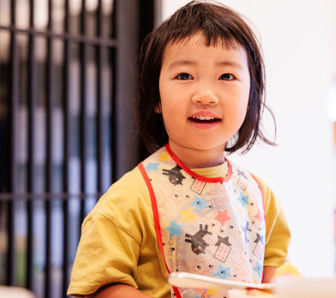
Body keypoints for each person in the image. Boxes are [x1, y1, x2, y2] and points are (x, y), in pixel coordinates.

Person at [67, 1, 290, 297]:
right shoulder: (128, 200)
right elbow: (97, 286)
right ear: (155, 98)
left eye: (227, 76)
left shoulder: (261, 197)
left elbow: (276, 268)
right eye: (184, 76)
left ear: (251, 95)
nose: (206, 95)